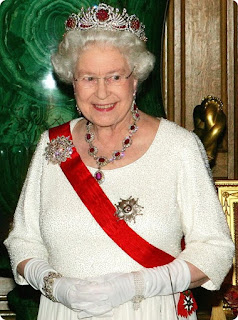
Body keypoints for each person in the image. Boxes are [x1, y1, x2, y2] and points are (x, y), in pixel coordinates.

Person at [4, 3, 234, 320]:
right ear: (72, 80)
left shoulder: (179, 146)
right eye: (88, 78)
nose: (101, 93)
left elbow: (215, 250)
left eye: (114, 76)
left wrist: (138, 284)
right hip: (64, 311)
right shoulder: (52, 145)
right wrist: (54, 286)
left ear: (135, 78)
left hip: (150, 311)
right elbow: (22, 241)